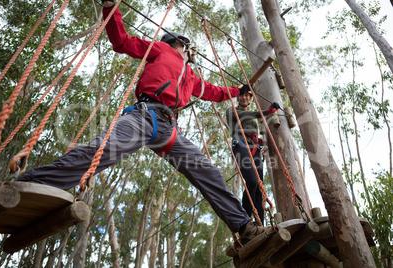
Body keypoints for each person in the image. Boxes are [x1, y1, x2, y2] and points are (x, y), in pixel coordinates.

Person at [18, 0, 264, 243]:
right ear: (180, 44)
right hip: (144, 116)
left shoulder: (191, 76)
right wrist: (110, 8)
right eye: (188, 48)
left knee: (207, 171)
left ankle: (243, 227)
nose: (191, 53)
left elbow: (215, 92)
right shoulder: (161, 49)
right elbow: (122, 41)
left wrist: (237, 90)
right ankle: (30, 184)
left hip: (169, 129)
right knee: (99, 151)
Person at [226, 85, 279, 224]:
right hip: (241, 146)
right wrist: (268, 111)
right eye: (241, 95)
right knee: (252, 181)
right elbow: (246, 115)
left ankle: (260, 223)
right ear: (237, 97)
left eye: (247, 96)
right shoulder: (232, 111)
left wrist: (261, 141)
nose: (244, 98)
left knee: (259, 189)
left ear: (250, 98)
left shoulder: (251, 116)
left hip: (254, 149)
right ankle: (245, 222)